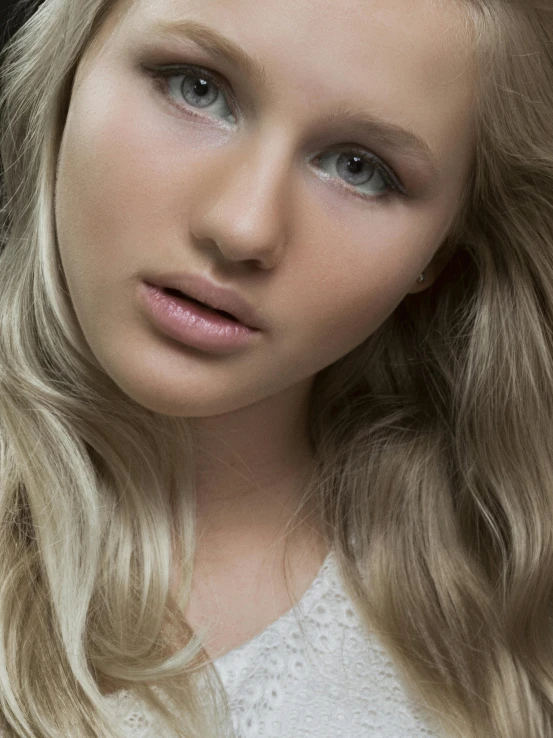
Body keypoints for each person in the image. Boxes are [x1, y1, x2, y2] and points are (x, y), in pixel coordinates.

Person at [0, 0, 552, 735]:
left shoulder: (509, 632)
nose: (242, 227)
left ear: (439, 256)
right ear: (69, 73)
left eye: (359, 169)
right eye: (195, 88)